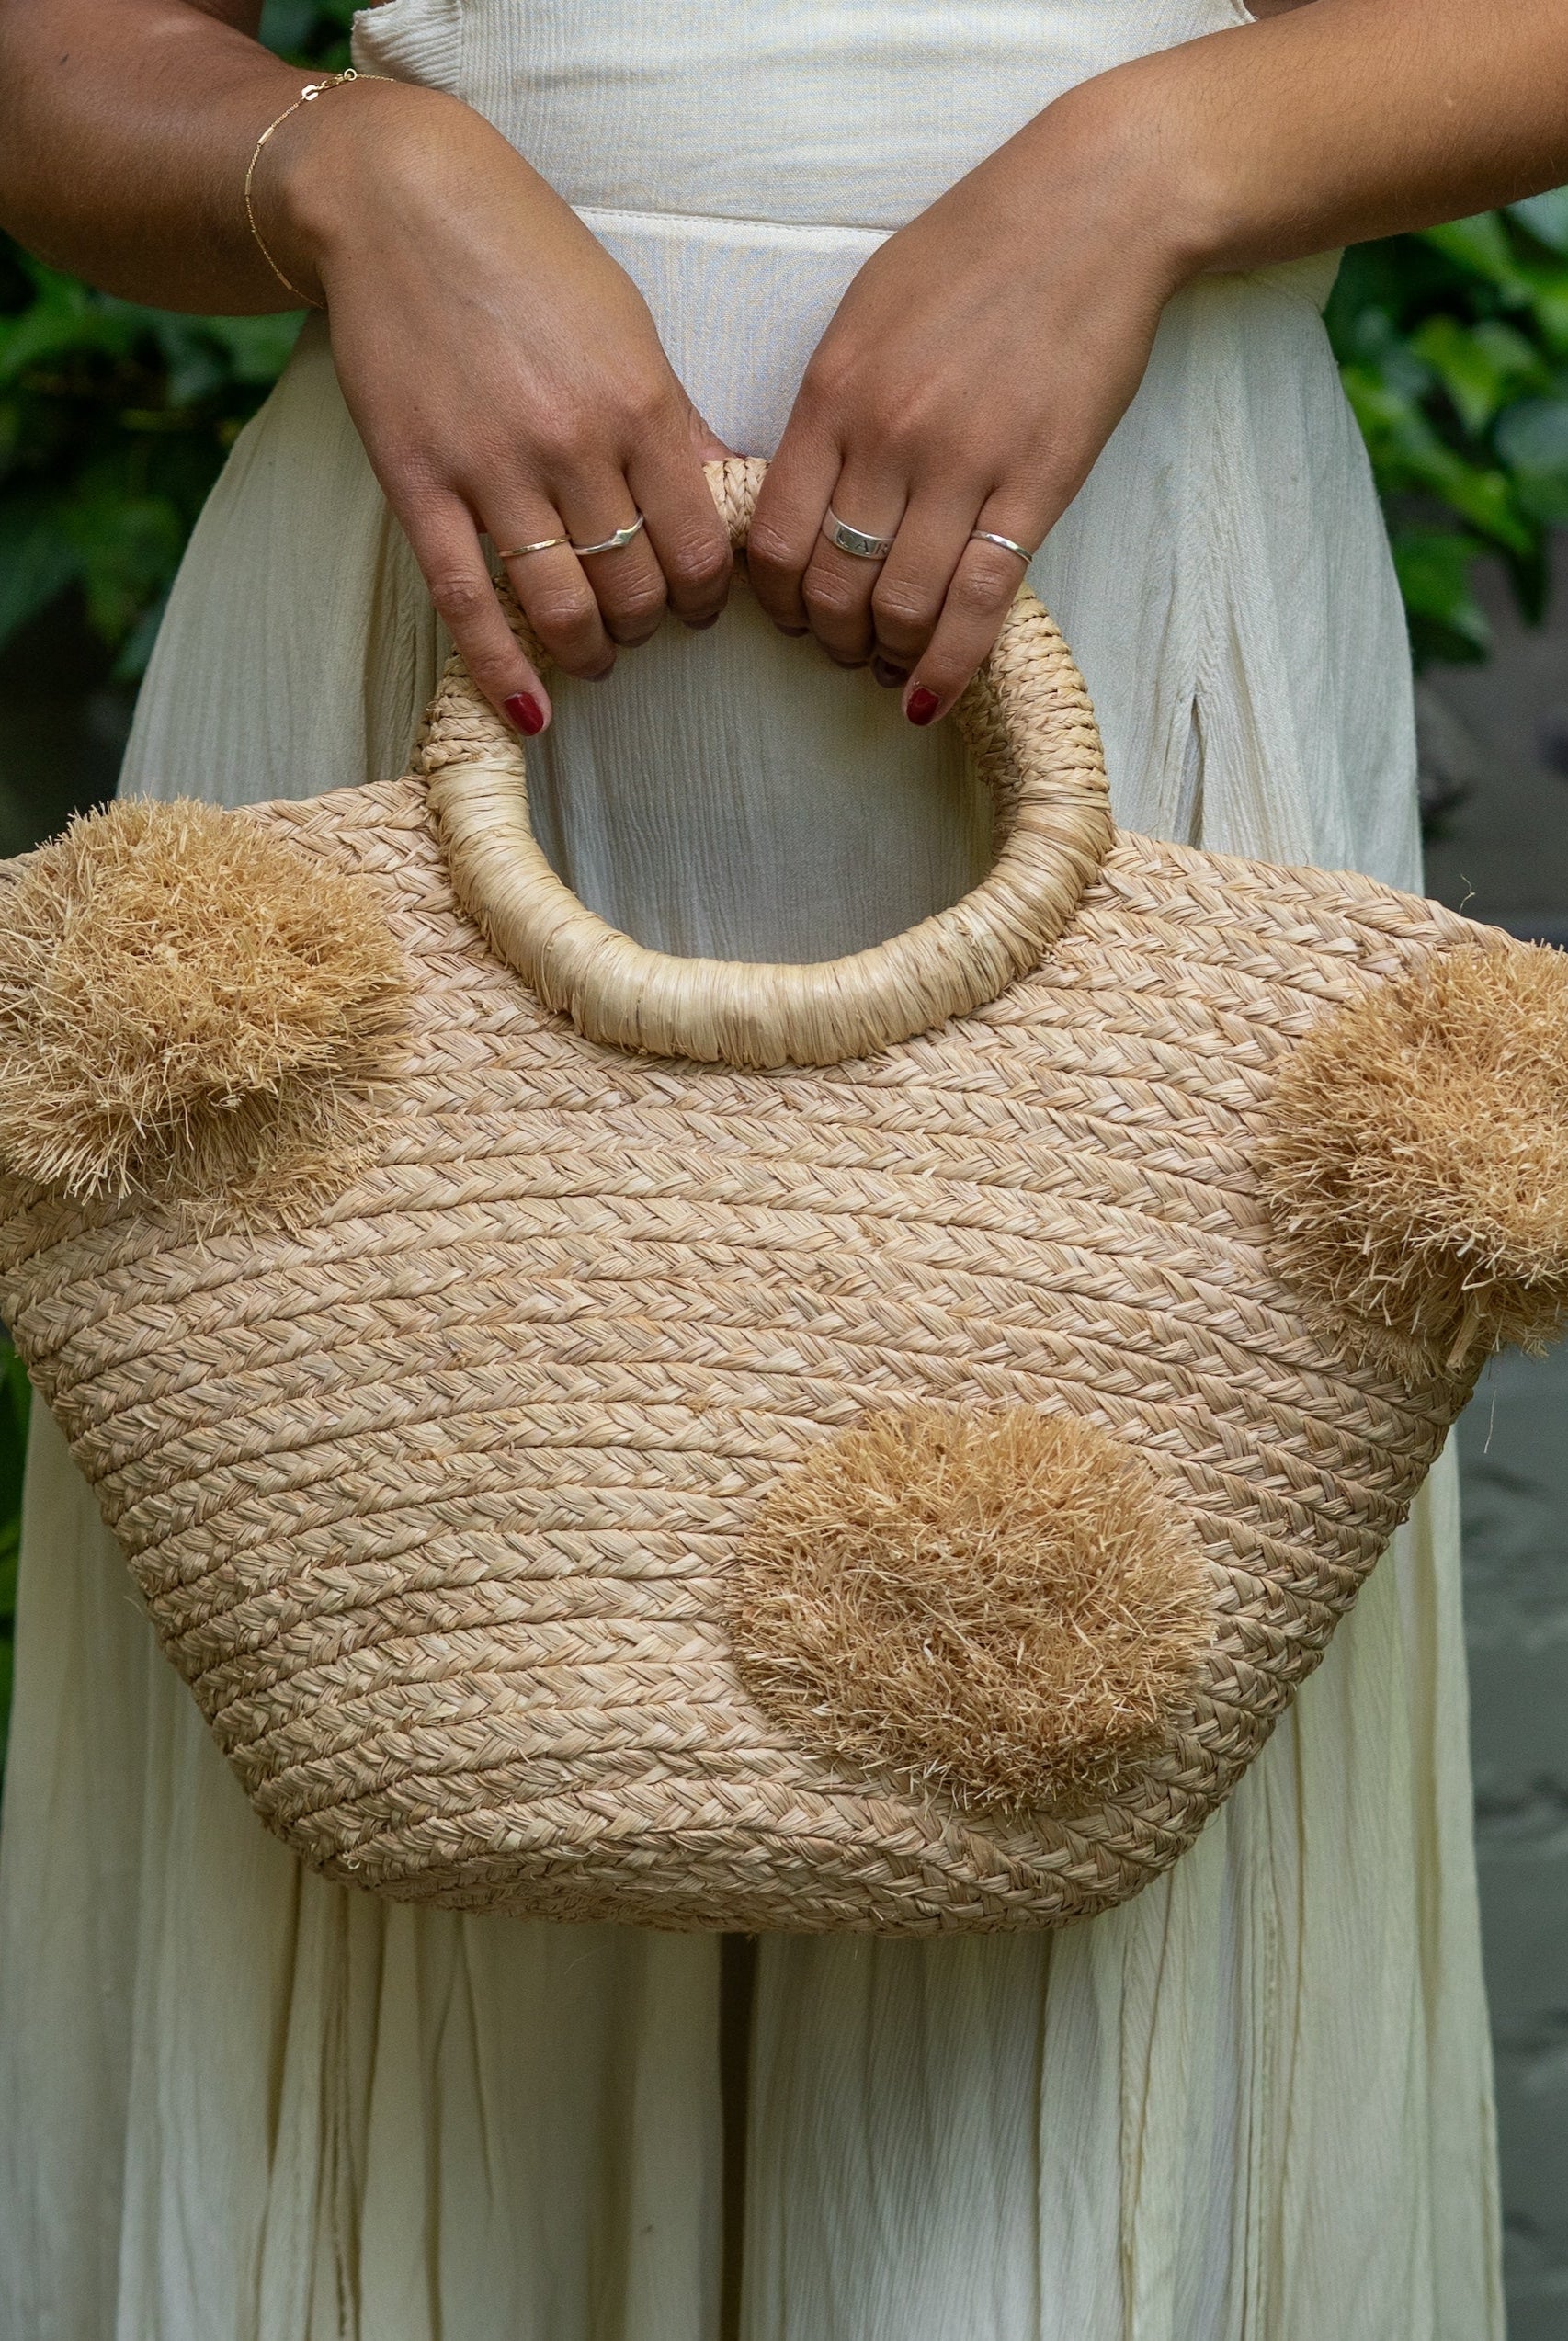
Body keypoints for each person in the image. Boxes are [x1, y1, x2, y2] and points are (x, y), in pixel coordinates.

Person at [0, 0, 1561, 2333]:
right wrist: (348, 176)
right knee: (371, 1711)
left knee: (1061, 1798)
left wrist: (1144, 162)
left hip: (1128, 548)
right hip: (444, 552)